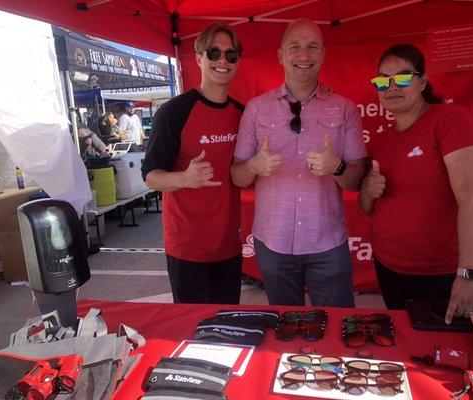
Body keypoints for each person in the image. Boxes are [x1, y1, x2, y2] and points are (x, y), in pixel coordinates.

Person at [231, 19, 367, 307]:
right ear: (280, 54)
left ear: (323, 54)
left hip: (328, 243)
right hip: (273, 243)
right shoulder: (256, 109)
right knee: (285, 329)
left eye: (312, 47)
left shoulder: (344, 108)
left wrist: (338, 167)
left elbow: (357, 177)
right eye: (295, 47)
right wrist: (254, 166)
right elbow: (237, 175)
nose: (304, 56)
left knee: (337, 329)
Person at [359, 43, 473, 324]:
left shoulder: (450, 119)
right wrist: (368, 190)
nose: (392, 87)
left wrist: (469, 275)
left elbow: (472, 199)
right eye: (383, 81)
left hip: (439, 273)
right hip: (388, 267)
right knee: (407, 348)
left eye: (403, 77)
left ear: (422, 81)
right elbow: (368, 206)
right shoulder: (382, 139)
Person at [141, 23, 244, 304]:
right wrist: (184, 179)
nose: (223, 61)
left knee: (226, 330)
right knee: (193, 334)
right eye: (214, 53)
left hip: (228, 246)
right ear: (198, 58)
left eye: (231, 55)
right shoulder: (174, 112)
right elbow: (150, 175)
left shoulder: (242, 114)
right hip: (186, 248)